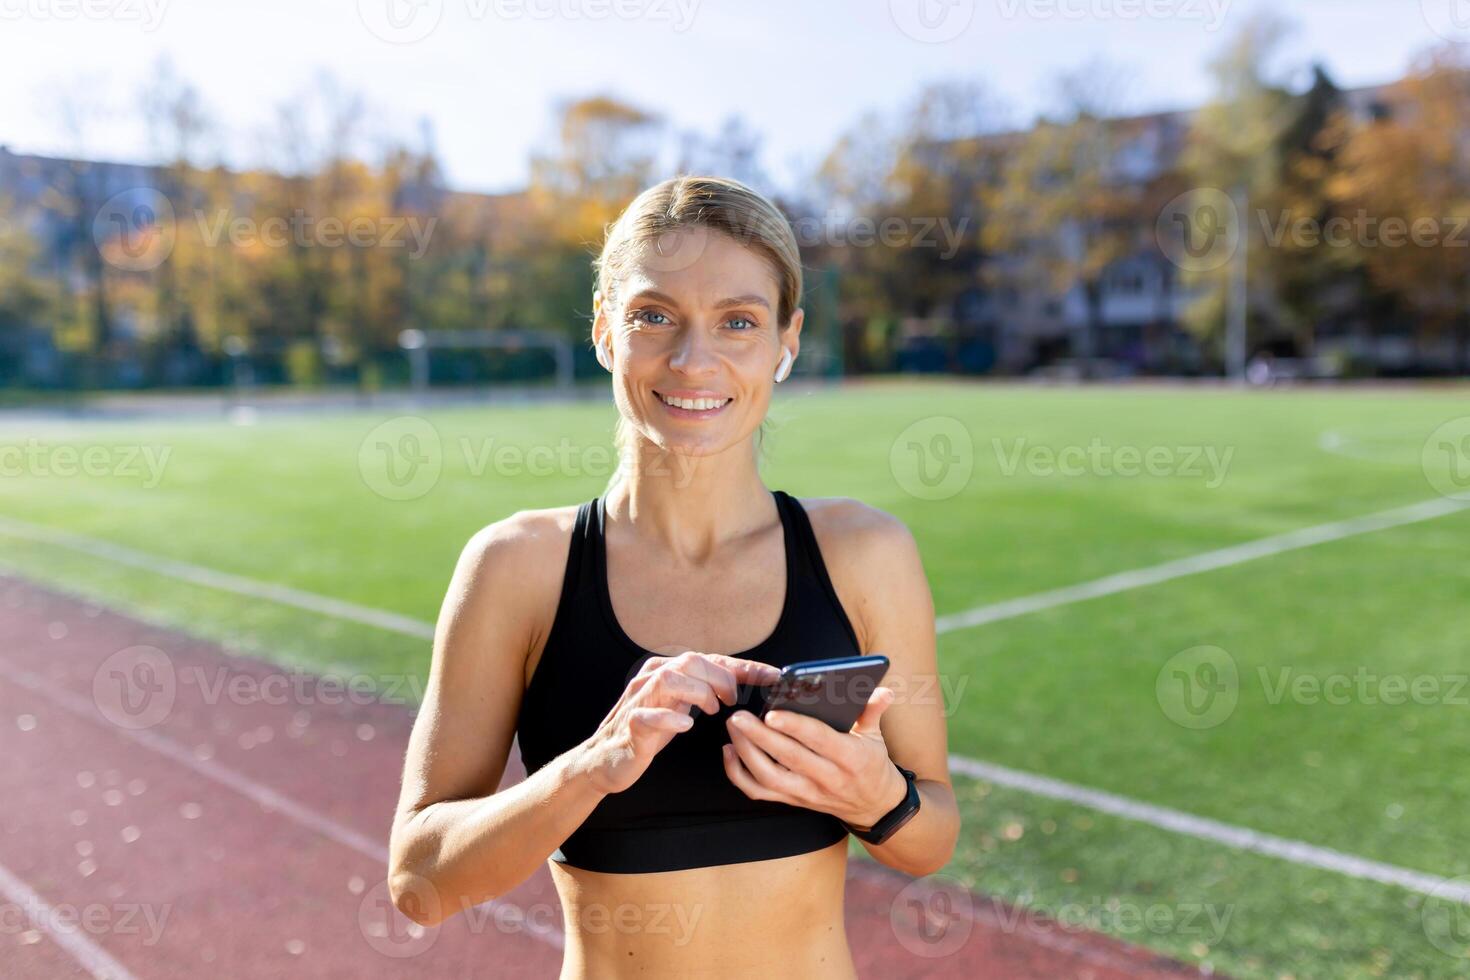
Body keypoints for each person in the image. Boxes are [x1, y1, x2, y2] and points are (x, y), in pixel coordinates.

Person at [388, 175, 959, 978]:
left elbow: (933, 833)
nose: (695, 360)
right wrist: (590, 767)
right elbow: (420, 882)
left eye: (738, 322)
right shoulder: (517, 567)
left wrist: (880, 800)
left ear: (786, 342)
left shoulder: (866, 553)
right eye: (654, 316)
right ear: (603, 332)